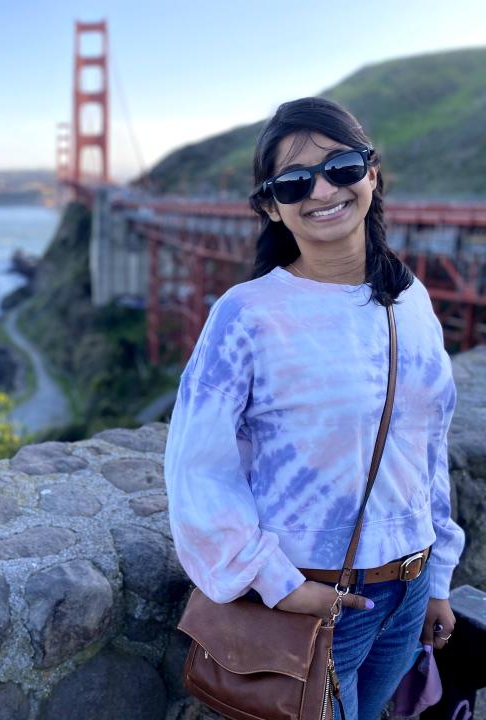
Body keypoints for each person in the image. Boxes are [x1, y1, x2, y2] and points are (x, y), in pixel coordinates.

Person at [163, 97, 465, 720]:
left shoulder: (408, 299)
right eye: (295, 181)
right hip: (315, 597)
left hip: (406, 593)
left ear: (371, 175)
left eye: (341, 167)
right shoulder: (245, 314)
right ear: (272, 207)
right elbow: (197, 470)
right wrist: (278, 583)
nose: (322, 189)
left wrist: (434, 578)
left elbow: (427, 446)